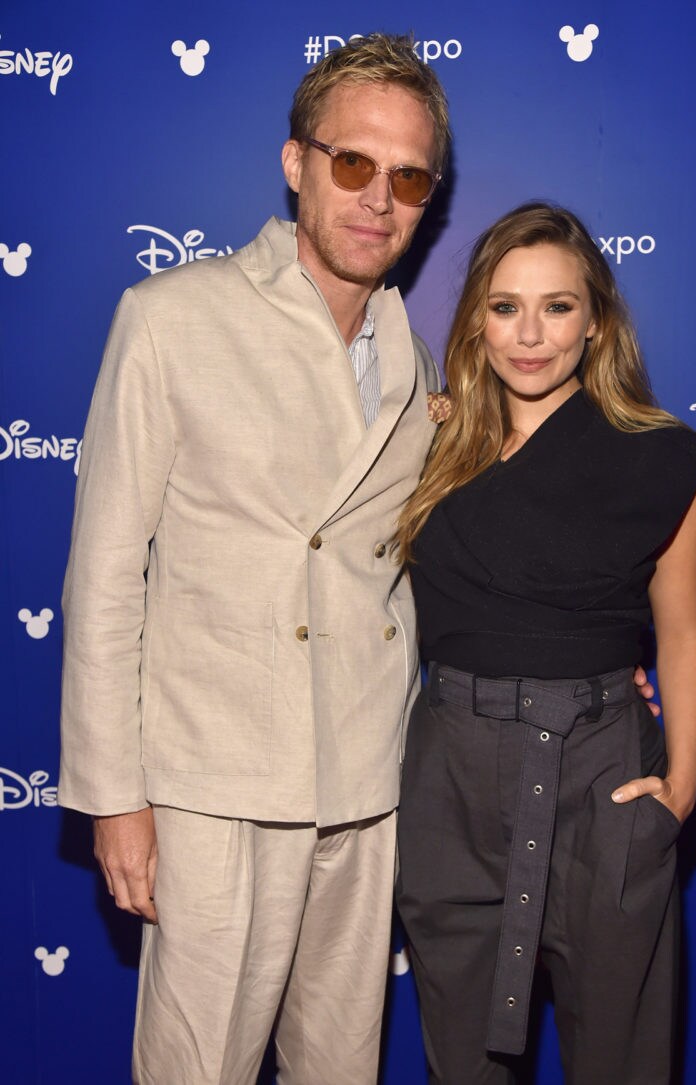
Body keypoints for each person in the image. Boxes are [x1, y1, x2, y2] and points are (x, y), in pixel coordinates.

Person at [58, 33, 449, 1085]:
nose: (379, 198)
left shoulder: (417, 362)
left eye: (409, 176)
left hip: (366, 779)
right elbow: (103, 571)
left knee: (341, 1066)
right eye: (353, 163)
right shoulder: (171, 318)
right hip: (214, 781)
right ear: (296, 162)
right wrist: (114, 795)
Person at [395, 202, 696, 1085]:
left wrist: (682, 790)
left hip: (603, 778)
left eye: (557, 306)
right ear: (475, 320)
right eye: (504, 307)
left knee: (622, 1058)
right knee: (460, 1061)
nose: (529, 334)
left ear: (596, 318)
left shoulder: (661, 462)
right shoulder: (425, 441)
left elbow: (685, 633)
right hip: (450, 784)